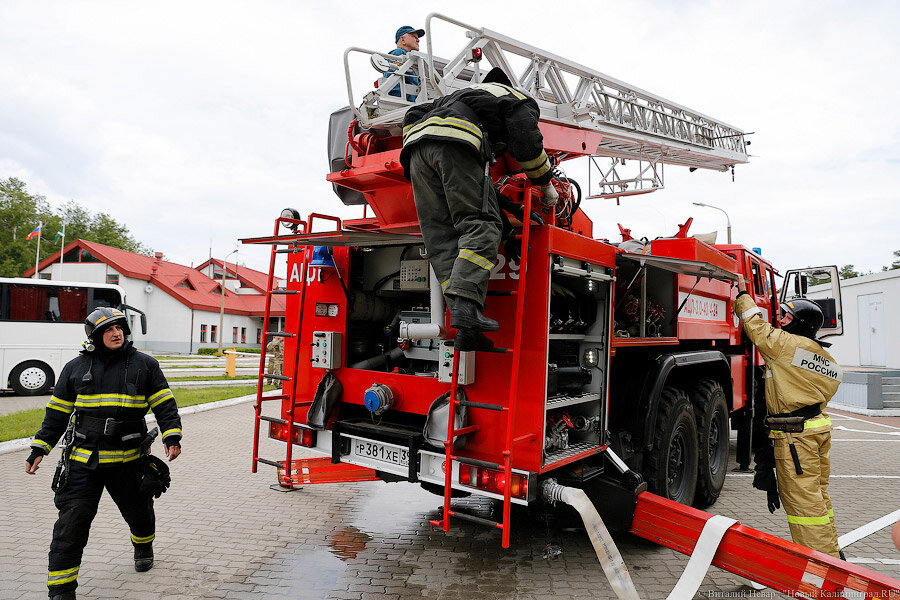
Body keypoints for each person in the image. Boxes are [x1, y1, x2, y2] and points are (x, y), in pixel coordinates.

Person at [25, 307, 183, 600]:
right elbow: (57, 413)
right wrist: (40, 447)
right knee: (70, 525)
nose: (116, 333)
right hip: (83, 461)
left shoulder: (145, 365)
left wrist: (172, 434)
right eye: (109, 329)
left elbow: (165, 404)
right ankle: (61, 590)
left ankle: (143, 546)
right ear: (96, 336)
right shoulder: (75, 368)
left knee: (140, 515)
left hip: (129, 460)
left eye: (120, 327)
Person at [399, 66, 558, 351]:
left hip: (416, 155)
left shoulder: (457, 97)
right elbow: (525, 139)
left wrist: (418, 146)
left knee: (443, 238)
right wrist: (545, 182)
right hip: (455, 144)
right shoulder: (515, 97)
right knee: (481, 226)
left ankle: (466, 324)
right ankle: (467, 310)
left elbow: (411, 115)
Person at [733, 278, 843, 557]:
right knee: (818, 496)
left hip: (795, 438)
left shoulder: (785, 345)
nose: (780, 320)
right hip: (816, 431)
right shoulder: (825, 358)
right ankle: (833, 553)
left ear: (800, 323)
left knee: (804, 505)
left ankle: (821, 567)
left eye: (786, 316)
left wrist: (743, 294)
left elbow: (755, 326)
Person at [385, 25, 424, 101]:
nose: (418, 40)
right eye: (414, 37)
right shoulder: (399, 53)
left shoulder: (413, 59)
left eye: (418, 38)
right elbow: (392, 84)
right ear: (402, 40)